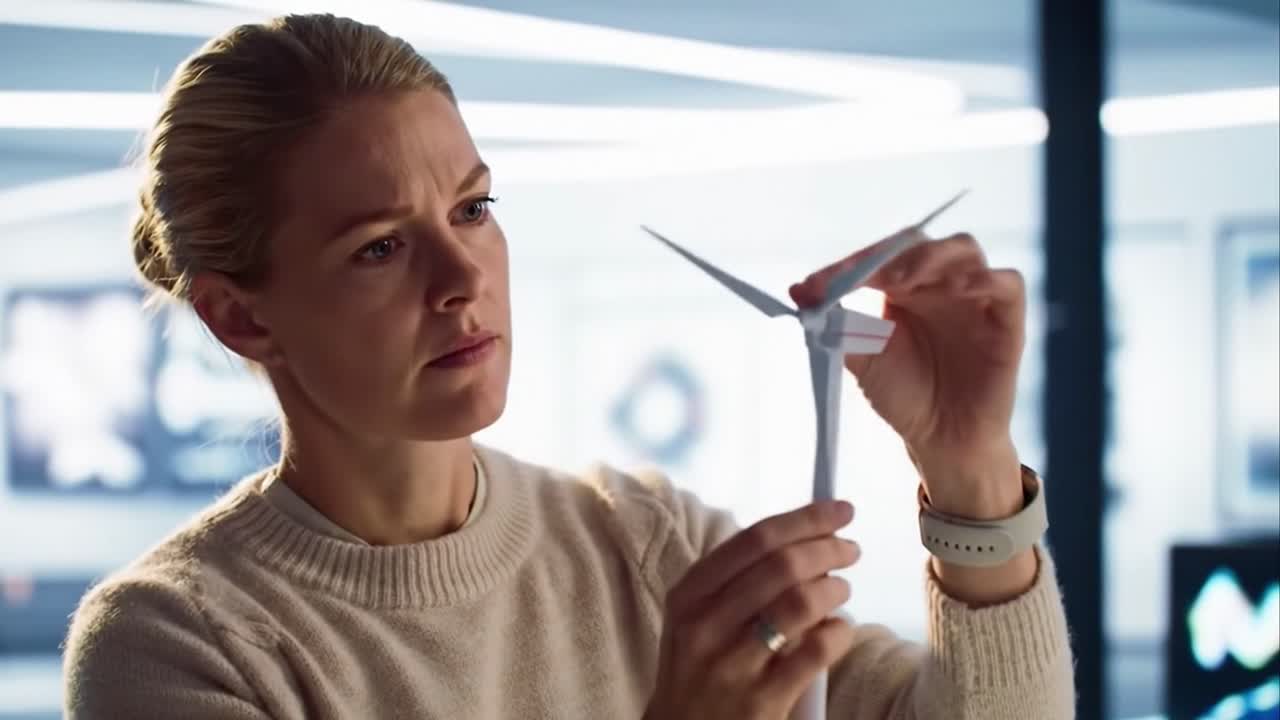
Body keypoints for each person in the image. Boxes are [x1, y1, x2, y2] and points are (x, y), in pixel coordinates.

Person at [62, 13, 1075, 720]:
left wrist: (969, 469)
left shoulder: (640, 539)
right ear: (241, 319)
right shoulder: (175, 643)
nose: (463, 275)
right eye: (379, 245)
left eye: (472, 209)